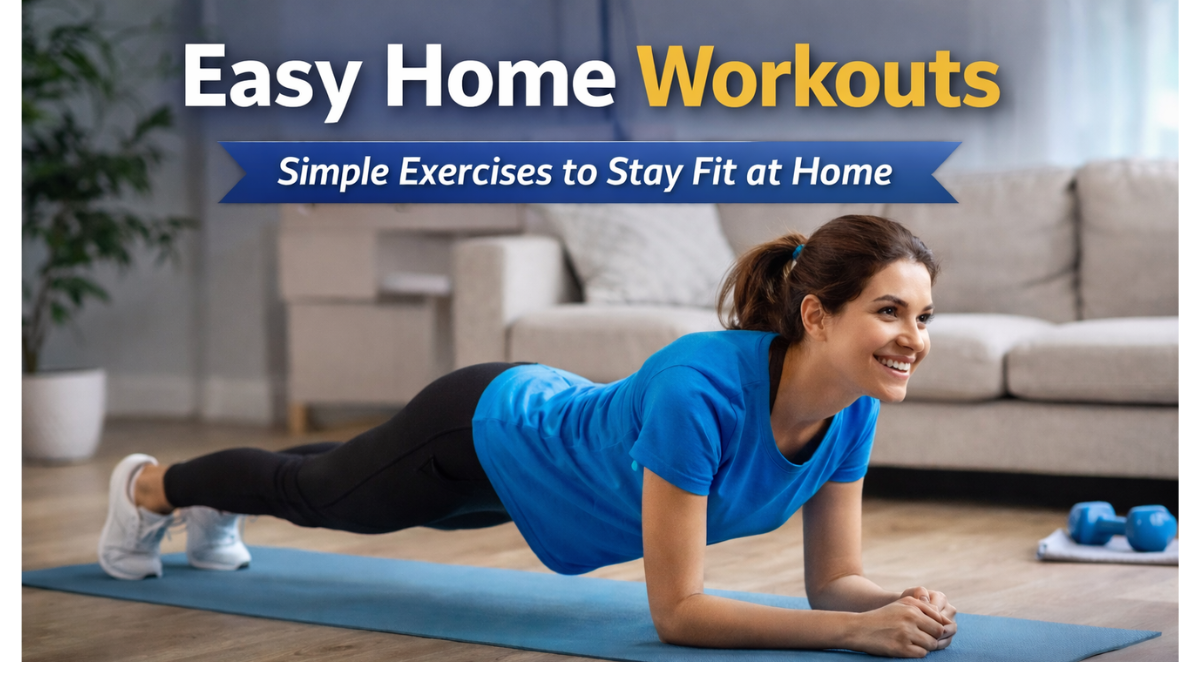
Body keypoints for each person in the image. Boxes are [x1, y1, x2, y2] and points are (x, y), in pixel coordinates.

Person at [98, 214, 956, 658]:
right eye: (889, 311)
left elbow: (835, 579)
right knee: (321, 498)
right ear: (816, 314)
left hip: (539, 493)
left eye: (921, 315)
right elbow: (679, 613)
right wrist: (851, 635)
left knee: (342, 478)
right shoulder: (701, 390)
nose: (912, 338)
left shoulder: (853, 406)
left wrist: (892, 606)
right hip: (485, 432)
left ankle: (208, 499)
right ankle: (150, 488)